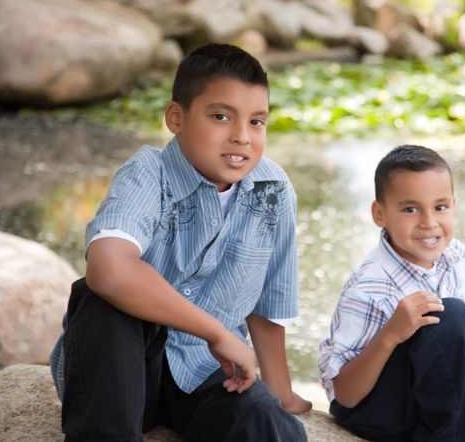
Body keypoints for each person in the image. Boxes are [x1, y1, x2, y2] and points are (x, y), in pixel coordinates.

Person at [49, 43, 311, 442]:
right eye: (221, 117)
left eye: (257, 121)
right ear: (176, 117)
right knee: (100, 296)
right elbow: (109, 268)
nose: (242, 137)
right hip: (123, 374)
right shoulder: (147, 173)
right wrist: (218, 334)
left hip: (207, 373)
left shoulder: (272, 191)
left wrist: (281, 394)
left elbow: (268, 306)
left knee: (269, 422)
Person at [318, 145, 465, 441]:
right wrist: (391, 334)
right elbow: (345, 396)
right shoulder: (370, 285)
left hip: (435, 403)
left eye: (440, 207)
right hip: (379, 410)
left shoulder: (459, 259)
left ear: (454, 205)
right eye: (410, 209)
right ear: (379, 213)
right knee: (451, 315)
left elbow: (459, 347)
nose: (429, 222)